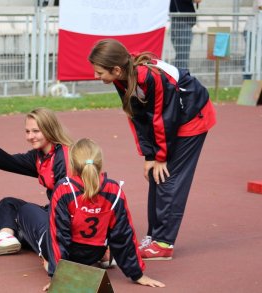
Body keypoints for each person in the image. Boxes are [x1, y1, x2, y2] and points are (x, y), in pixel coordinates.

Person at [88, 39, 216, 260]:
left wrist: (160, 157)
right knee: (155, 175)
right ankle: (154, 236)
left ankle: (164, 243)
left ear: (116, 69)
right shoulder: (122, 78)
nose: (96, 76)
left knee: (169, 177)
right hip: (171, 120)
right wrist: (149, 156)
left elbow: (163, 118)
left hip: (192, 117)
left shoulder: (151, 77)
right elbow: (137, 116)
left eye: (99, 72)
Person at [14, 138, 165, 290]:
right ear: (100, 163)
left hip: (69, 253)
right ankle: (99, 259)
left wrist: (57, 276)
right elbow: (124, 235)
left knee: (27, 211)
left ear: (72, 164)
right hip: (94, 254)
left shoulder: (65, 189)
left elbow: (58, 236)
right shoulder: (114, 190)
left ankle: (48, 259)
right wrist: (137, 274)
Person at [0, 107, 74, 257]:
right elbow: (10, 162)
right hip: (54, 211)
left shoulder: (64, 157)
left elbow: (70, 202)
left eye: (36, 131)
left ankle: (36, 241)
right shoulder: (40, 156)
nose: (30, 136)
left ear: (49, 129)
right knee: (8, 204)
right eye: (27, 131)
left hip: (68, 220)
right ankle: (7, 237)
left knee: (28, 211)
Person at [169, 0, 202, 69]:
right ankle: (180, 73)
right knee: (181, 51)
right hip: (177, 18)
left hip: (183, 19)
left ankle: (181, 74)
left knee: (182, 52)